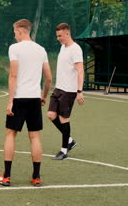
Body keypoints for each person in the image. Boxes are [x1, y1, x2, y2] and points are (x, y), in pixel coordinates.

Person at [0, 19, 52, 187]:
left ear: (20, 31)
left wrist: (10, 101)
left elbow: (13, 75)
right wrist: (43, 95)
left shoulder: (15, 48)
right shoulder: (41, 50)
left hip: (19, 98)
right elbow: (48, 78)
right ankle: (36, 177)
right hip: (34, 98)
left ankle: (6, 176)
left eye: (15, 32)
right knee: (34, 136)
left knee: (10, 134)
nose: (14, 35)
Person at [47, 23, 84, 160]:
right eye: (57, 36)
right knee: (51, 115)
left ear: (67, 34)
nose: (58, 38)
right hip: (59, 88)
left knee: (63, 119)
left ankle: (64, 151)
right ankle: (70, 141)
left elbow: (80, 71)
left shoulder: (76, 49)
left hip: (69, 91)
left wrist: (79, 91)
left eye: (60, 36)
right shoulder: (62, 47)